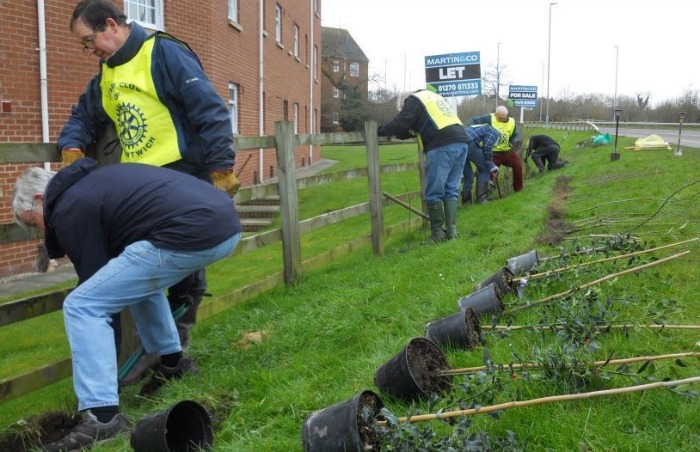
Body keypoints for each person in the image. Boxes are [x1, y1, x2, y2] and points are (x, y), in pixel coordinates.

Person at [57, 0, 240, 383]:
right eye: (83, 46)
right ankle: (160, 356)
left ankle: (176, 353)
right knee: (145, 274)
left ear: (111, 24)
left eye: (90, 41)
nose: (90, 50)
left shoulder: (163, 52)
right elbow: (84, 114)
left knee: (184, 274)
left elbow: (210, 110)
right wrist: (72, 147)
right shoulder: (107, 73)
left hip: (182, 175)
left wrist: (221, 168)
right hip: (140, 187)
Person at [11, 159, 242, 451]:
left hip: (193, 231)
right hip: (226, 225)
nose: (40, 233)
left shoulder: (69, 207)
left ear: (39, 199)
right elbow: (113, 284)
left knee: (82, 306)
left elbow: (96, 296)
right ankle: (173, 365)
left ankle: (102, 417)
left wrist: (107, 384)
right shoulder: (92, 183)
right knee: (134, 278)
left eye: (34, 223)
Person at [377, 89, 468, 242]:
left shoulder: (413, 100)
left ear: (404, 103)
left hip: (442, 145)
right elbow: (411, 128)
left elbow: (401, 123)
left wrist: (379, 130)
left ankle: (437, 234)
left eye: (402, 109)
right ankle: (452, 233)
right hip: (461, 140)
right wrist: (400, 133)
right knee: (451, 189)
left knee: (434, 191)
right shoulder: (433, 99)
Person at [468, 106, 523, 193]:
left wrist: (515, 141)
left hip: (507, 151)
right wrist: (476, 132)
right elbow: (472, 121)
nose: (501, 120)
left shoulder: (512, 122)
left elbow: (515, 135)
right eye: (499, 118)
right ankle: (486, 193)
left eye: (503, 118)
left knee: (518, 166)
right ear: (495, 114)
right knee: (487, 171)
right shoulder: (488, 118)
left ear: (506, 115)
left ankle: (518, 189)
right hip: (493, 153)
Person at [462, 124, 501, 204]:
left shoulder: (481, 127)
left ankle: (466, 203)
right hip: (470, 143)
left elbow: (481, 147)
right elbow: (487, 145)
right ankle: (482, 199)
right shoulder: (494, 132)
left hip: (458, 145)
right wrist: (488, 160)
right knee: (485, 169)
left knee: (468, 175)